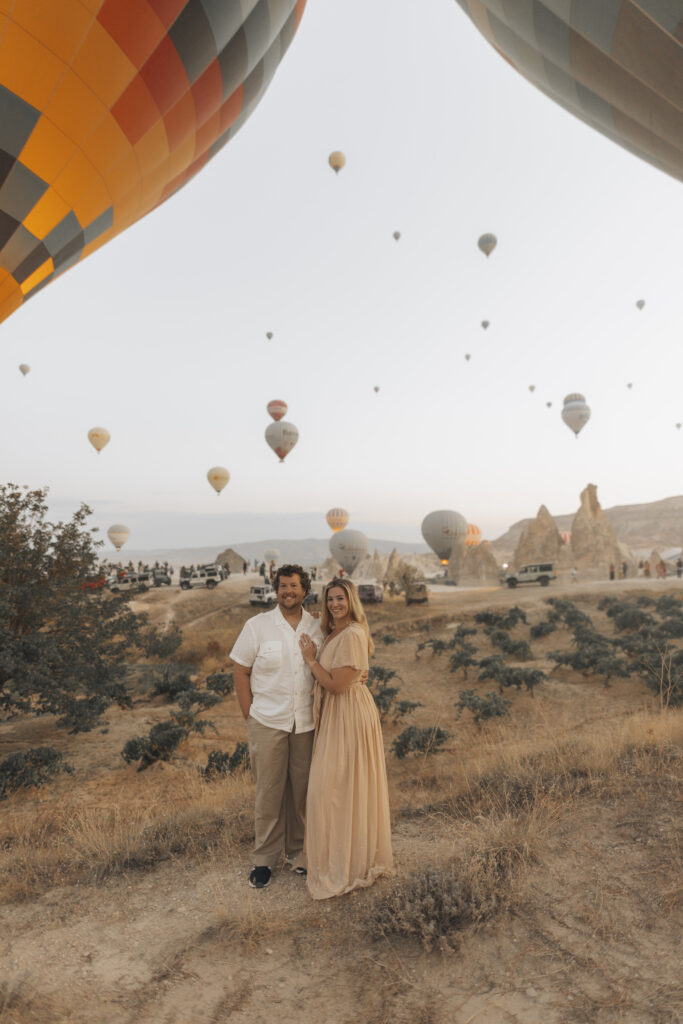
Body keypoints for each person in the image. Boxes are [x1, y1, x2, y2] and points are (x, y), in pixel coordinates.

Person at [299, 577, 393, 900]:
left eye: (341, 598)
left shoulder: (352, 633)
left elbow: (338, 684)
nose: (335, 604)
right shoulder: (334, 633)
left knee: (334, 788)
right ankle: (334, 858)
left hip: (349, 714)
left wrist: (311, 660)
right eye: (330, 599)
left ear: (351, 600)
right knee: (336, 788)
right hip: (336, 715)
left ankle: (349, 865)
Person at [230, 565, 322, 890]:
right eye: (283, 586)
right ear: (276, 589)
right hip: (267, 721)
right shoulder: (257, 626)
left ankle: (298, 855)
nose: (288, 591)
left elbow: (330, 665)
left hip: (305, 723)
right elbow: (240, 672)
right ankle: (264, 860)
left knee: (301, 791)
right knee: (268, 793)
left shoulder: (317, 627)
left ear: (304, 589)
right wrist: (249, 716)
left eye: (294, 586)